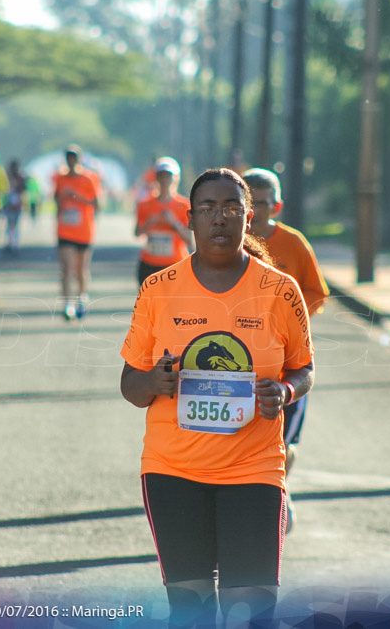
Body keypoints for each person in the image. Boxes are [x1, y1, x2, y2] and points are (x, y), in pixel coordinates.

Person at [119, 168, 315, 628]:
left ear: (249, 218)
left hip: (254, 468)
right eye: (207, 209)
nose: (219, 219)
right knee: (192, 612)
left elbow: (303, 369)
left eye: (231, 208)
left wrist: (285, 391)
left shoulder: (280, 291)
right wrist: (153, 383)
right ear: (190, 219)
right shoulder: (158, 289)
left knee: (250, 612)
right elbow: (129, 383)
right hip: (174, 471)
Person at [242, 167, 329, 533]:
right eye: (250, 202)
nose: (256, 211)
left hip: (287, 360)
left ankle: (279, 489)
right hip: (240, 360)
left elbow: (317, 291)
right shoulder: (228, 241)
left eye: (263, 203)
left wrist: (290, 320)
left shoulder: (293, 244)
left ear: (276, 205)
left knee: (285, 438)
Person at [52, 145, 101, 320]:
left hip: (84, 231)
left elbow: (97, 205)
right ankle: (68, 304)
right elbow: (56, 202)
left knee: (81, 270)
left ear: (79, 160)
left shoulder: (89, 178)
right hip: (65, 231)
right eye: (68, 158)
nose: (71, 161)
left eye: (74, 158)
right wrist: (62, 199)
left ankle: (81, 298)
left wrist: (75, 196)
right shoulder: (60, 178)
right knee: (67, 268)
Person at [134, 156, 193, 286]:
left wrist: (174, 223)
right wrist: (150, 223)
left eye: (168, 176)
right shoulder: (145, 205)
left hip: (175, 263)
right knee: (149, 303)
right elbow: (137, 233)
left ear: (176, 178)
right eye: (161, 176)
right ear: (156, 178)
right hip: (149, 263)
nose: (165, 180)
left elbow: (191, 241)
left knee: (173, 304)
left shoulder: (184, 205)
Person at [4, 159, 27, 254]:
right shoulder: (7, 178)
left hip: (17, 204)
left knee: (15, 224)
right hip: (9, 204)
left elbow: (23, 189)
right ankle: (10, 242)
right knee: (10, 224)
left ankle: (14, 243)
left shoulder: (20, 177)